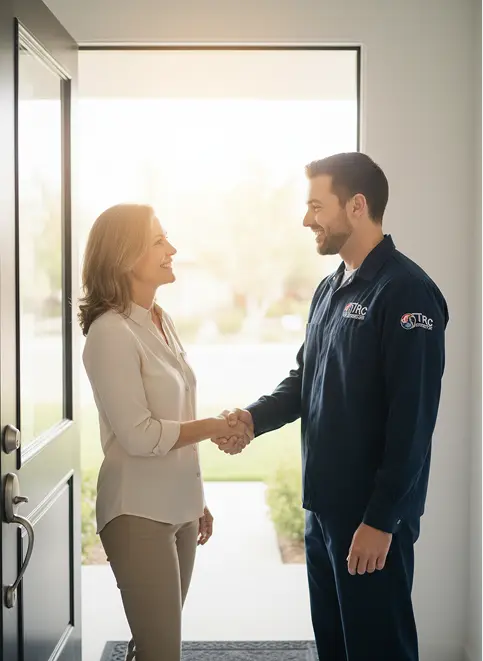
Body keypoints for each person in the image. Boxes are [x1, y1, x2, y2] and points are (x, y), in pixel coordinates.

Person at [216, 152, 449, 661]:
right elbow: (308, 379)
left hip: (369, 519)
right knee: (336, 649)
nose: (307, 220)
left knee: (378, 650)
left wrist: (382, 519)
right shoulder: (330, 289)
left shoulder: (407, 293)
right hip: (323, 512)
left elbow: (413, 422)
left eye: (316, 206)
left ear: (357, 206)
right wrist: (252, 419)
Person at [79, 203, 249, 661]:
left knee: (153, 646)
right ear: (122, 255)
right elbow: (140, 435)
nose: (171, 249)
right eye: (158, 240)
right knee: (162, 653)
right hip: (137, 516)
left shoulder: (160, 320)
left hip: (179, 510)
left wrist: (197, 500)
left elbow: (175, 413)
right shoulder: (110, 333)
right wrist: (215, 425)